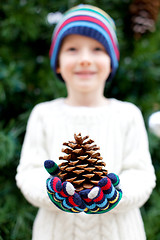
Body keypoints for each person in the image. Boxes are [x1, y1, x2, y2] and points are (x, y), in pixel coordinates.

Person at [16, 4, 156, 240]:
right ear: (58, 62)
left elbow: (141, 174)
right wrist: (54, 190)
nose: (84, 59)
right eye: (72, 49)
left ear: (111, 61)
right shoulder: (43, 114)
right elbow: (29, 172)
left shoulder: (127, 115)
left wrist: (114, 194)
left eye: (97, 49)